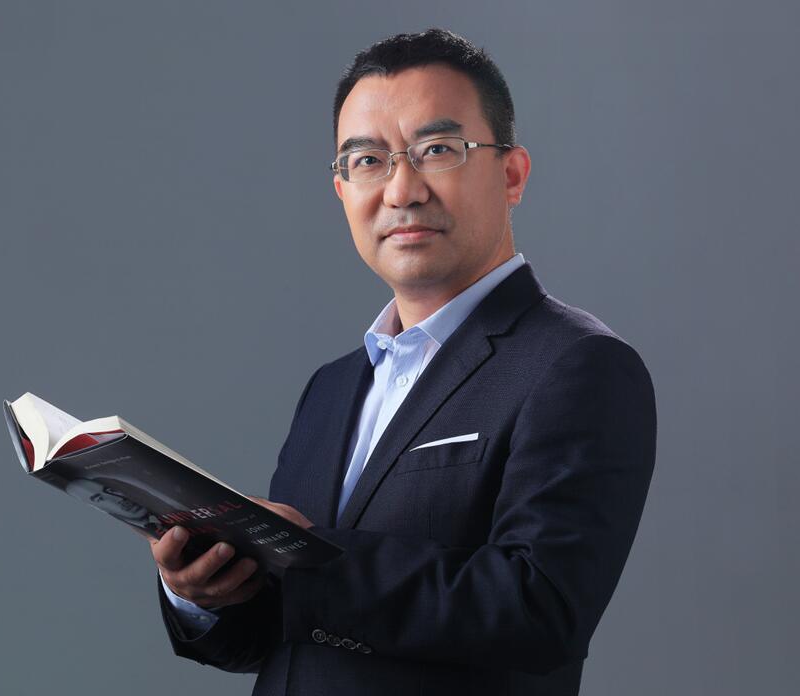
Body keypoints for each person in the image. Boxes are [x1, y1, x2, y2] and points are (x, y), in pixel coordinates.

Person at [147, 27, 657, 696]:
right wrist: (202, 589)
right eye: (367, 160)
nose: (401, 190)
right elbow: (288, 635)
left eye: (437, 150)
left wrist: (310, 561)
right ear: (341, 190)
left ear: (511, 175)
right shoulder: (331, 388)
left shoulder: (578, 365)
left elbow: (540, 610)